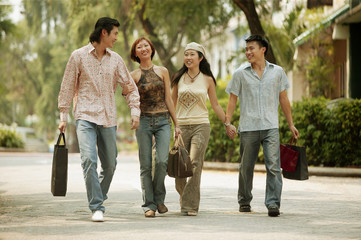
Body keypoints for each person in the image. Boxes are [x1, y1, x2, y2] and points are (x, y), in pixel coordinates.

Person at [57, 17, 140, 222]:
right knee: (88, 160)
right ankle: (97, 206)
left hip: (108, 117)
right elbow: (67, 87)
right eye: (115, 34)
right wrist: (63, 116)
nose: (116, 38)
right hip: (84, 114)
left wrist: (134, 110)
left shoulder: (116, 59)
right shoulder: (78, 56)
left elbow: (129, 86)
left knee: (110, 164)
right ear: (104, 33)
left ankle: (98, 197)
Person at [224, 34, 299, 217]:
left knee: (273, 165)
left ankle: (273, 203)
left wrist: (291, 124)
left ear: (262, 49)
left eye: (252, 48)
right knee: (245, 166)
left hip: (270, 126)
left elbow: (283, 99)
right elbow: (232, 100)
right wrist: (228, 122)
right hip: (248, 127)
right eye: (246, 49)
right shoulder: (240, 73)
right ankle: (244, 201)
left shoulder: (277, 72)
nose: (248, 52)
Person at [171, 42, 234, 216]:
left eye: (192, 54)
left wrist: (227, 123)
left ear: (200, 58)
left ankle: (190, 206)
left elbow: (214, 104)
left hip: (201, 125)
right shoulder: (178, 78)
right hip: (181, 127)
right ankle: (185, 196)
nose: (188, 58)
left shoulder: (207, 79)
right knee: (180, 167)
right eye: (186, 54)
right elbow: (171, 103)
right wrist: (171, 125)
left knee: (195, 164)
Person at [123, 37, 182, 217]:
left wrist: (176, 124)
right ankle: (149, 205)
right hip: (144, 122)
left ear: (151, 49)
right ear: (135, 53)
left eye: (145, 45)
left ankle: (159, 199)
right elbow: (127, 95)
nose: (143, 48)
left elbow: (168, 99)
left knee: (162, 161)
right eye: (139, 47)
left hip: (164, 120)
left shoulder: (162, 71)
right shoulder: (133, 76)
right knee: (146, 164)